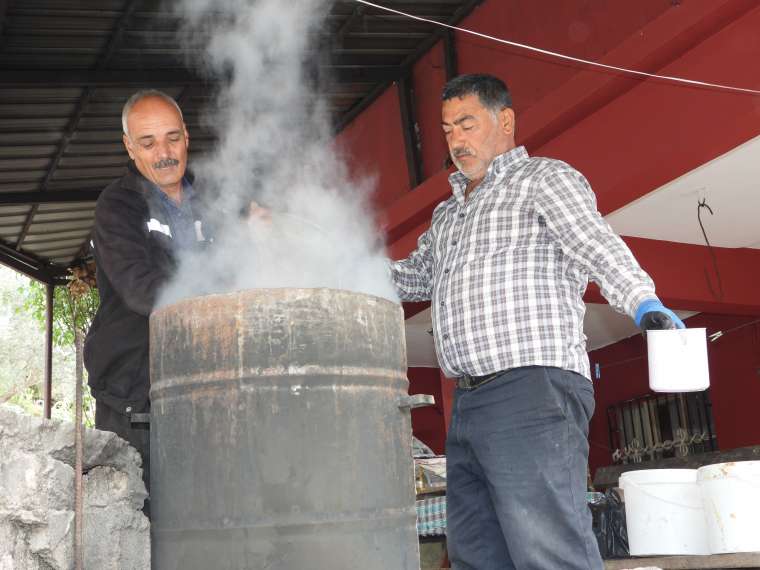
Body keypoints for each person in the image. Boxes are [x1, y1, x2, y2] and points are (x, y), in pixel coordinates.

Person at [390, 74, 684, 570]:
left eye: (467, 124)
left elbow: (594, 241)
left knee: (545, 547)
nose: (456, 140)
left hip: (532, 388)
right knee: (477, 553)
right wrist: (334, 266)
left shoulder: (544, 179)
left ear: (504, 121)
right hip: (469, 399)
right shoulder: (447, 216)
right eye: (447, 130)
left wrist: (642, 302)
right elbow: (412, 277)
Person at [84, 89, 211, 508]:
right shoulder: (118, 205)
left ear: (187, 137)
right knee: (143, 520)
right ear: (129, 147)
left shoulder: (214, 205)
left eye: (172, 138)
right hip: (135, 397)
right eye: (148, 142)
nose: (164, 153)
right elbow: (143, 289)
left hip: (208, 386)